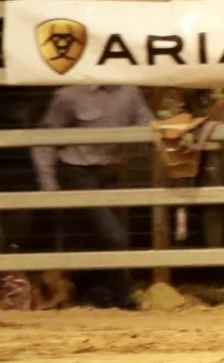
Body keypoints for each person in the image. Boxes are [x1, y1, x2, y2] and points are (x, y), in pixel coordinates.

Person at [34, 82, 149, 309]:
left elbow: (147, 124)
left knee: (104, 238)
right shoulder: (68, 95)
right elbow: (45, 137)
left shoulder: (130, 92)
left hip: (112, 172)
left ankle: (102, 296)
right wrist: (48, 182)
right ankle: (123, 297)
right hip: (78, 171)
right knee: (114, 236)